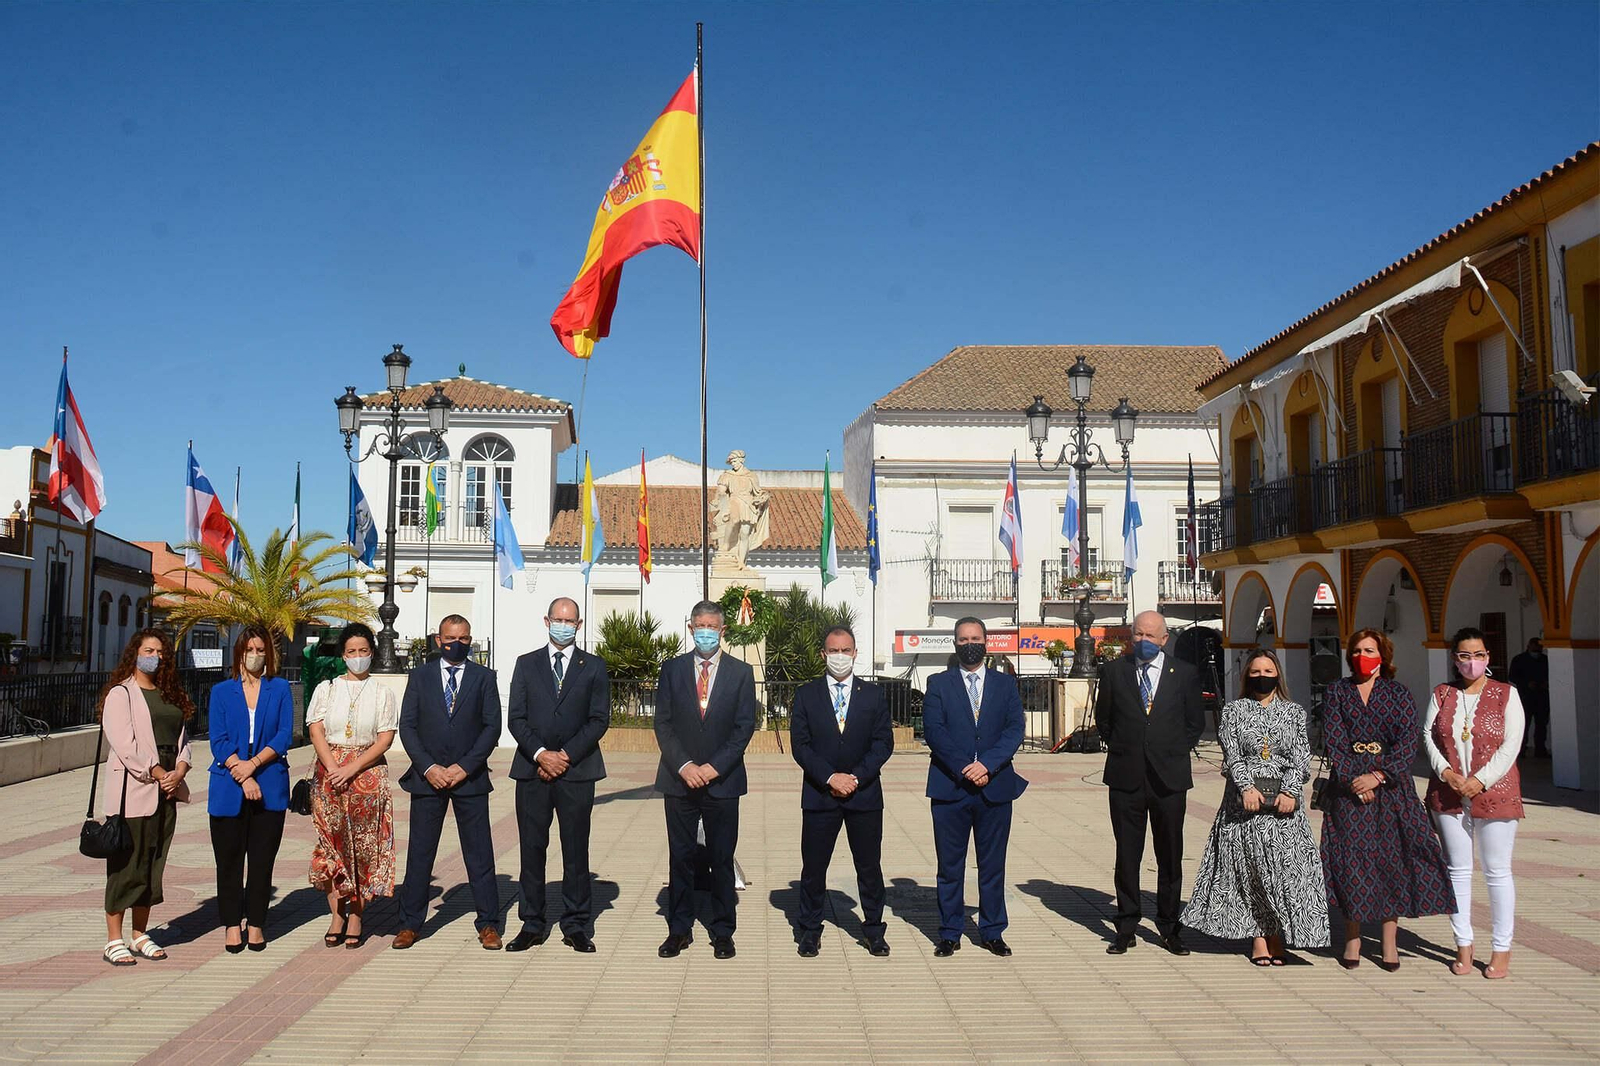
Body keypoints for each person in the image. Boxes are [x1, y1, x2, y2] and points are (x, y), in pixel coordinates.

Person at [1181, 648, 1329, 964]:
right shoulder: (1234, 711)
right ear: (1248, 676)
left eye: (1268, 671)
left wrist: (1290, 791)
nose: (1262, 677)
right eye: (1256, 672)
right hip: (1243, 804)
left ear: (1278, 675)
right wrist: (1246, 786)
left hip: (1284, 807)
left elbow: (1301, 755)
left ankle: (1280, 935)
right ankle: (1259, 937)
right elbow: (1231, 754)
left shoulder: (1294, 712)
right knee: (1250, 871)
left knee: (1282, 870)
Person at [1319, 629, 1454, 971]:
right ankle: (1352, 937)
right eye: (1357, 650)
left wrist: (1377, 777)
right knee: (1351, 861)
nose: (1362, 656)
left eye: (1369, 649)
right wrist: (1354, 780)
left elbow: (1408, 741)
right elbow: (1334, 738)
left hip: (1391, 790)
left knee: (1391, 862)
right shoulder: (1338, 691)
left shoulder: (1398, 694)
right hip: (1348, 791)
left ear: (1383, 655)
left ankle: (1389, 940)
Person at [1095, 610, 1206, 956]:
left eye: (1150, 636)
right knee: (1127, 854)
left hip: (1168, 778)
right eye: (1137, 635)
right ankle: (1126, 925)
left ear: (1164, 639)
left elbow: (1194, 723)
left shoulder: (1184, 674)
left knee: (1170, 854)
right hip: (1126, 777)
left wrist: (1167, 750)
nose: (1143, 641)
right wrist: (1129, 749)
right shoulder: (1114, 672)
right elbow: (1104, 720)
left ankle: (1170, 927)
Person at [506, 597, 611, 953]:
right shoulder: (526, 664)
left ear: (579, 625)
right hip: (532, 770)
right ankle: (532, 923)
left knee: (575, 850)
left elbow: (599, 719)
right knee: (532, 850)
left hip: (577, 770)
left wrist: (565, 755)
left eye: (570, 620)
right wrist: (541, 754)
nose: (563, 625)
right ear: (546, 620)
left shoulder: (593, 667)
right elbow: (516, 717)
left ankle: (576, 924)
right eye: (558, 618)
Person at [393, 614, 504, 950]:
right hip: (428, 779)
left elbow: (491, 727)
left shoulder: (484, 677)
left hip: (468, 779)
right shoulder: (420, 676)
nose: (458, 644)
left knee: (479, 853)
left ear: (471, 640)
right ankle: (410, 924)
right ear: (438, 640)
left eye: (465, 638)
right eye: (451, 638)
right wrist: (428, 767)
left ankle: (488, 924)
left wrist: (464, 767)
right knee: (420, 854)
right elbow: (408, 726)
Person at [654, 600, 757, 960]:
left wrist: (714, 768)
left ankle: (723, 930)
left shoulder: (741, 673)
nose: (705, 632)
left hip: (722, 781)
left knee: (721, 857)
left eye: (712, 626)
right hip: (678, 780)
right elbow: (662, 724)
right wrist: (684, 766)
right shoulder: (672, 669)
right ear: (690, 627)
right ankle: (679, 929)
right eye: (699, 625)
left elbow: (745, 728)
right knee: (680, 857)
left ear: (723, 630)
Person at [923, 616, 1027, 958]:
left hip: (995, 787)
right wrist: (966, 768)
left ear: (987, 642)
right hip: (950, 787)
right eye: (964, 638)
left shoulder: (1005, 685)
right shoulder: (938, 683)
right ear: (955, 644)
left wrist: (988, 765)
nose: (971, 644)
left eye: (976, 638)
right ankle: (950, 931)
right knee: (950, 866)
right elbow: (935, 732)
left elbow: (1014, 730)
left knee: (992, 865)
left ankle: (992, 930)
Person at [1425, 627, 1525, 980]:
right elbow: (1429, 736)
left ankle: (1502, 948)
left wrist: (1480, 780)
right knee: (1458, 870)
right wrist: (1448, 773)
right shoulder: (1442, 694)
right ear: (1455, 659)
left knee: (1497, 871)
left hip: (1496, 793)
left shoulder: (1505, 694)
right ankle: (1463, 944)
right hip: (1450, 793)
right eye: (1465, 656)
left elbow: (1511, 744)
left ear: (1488, 658)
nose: (1472, 662)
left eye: (1478, 655)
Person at [789, 625, 894, 958]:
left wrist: (856, 777)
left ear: (855, 653)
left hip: (863, 795)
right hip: (821, 794)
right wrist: (830, 777)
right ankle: (809, 930)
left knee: (869, 865)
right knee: (814, 867)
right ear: (823, 654)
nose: (839, 656)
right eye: (833, 651)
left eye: (845, 650)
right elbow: (800, 745)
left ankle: (874, 930)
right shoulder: (806, 694)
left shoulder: (873, 695)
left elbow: (883, 743)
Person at [98, 629, 193, 967]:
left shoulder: (169, 694)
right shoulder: (121, 694)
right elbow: (124, 745)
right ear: (135, 653)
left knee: (154, 861)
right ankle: (114, 938)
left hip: (166, 790)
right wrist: (156, 773)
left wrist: (179, 770)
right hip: (135, 789)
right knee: (127, 863)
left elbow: (182, 738)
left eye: (159, 651)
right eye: (148, 649)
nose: (154, 655)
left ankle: (140, 933)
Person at [306, 622, 398, 948]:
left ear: (371, 653)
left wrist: (353, 767)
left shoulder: (382, 692)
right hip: (329, 773)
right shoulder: (326, 689)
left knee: (361, 847)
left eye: (363, 651)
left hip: (367, 774)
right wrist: (333, 767)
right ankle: (336, 914)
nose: (357, 657)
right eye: (351, 652)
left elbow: (385, 737)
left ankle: (357, 915)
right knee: (331, 844)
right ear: (343, 655)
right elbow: (315, 728)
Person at [206, 625, 292, 953]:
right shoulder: (222, 692)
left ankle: (256, 923)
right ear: (238, 653)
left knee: (261, 860)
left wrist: (253, 766)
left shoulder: (280, 688)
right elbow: (218, 739)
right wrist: (242, 774)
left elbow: (284, 733)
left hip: (269, 783)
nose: (254, 656)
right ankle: (231, 923)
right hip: (229, 785)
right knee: (228, 861)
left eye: (260, 650)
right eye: (249, 650)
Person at [1508, 637, 1549, 759]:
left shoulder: (1545, 660)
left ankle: (1540, 750)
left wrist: (1545, 683)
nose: (1537, 648)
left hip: (1542, 697)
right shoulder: (1519, 660)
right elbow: (1512, 676)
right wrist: (1526, 683)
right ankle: (1521, 751)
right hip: (1525, 697)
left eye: (1539, 646)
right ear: (1529, 645)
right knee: (1523, 725)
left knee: (1541, 725)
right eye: (1535, 645)